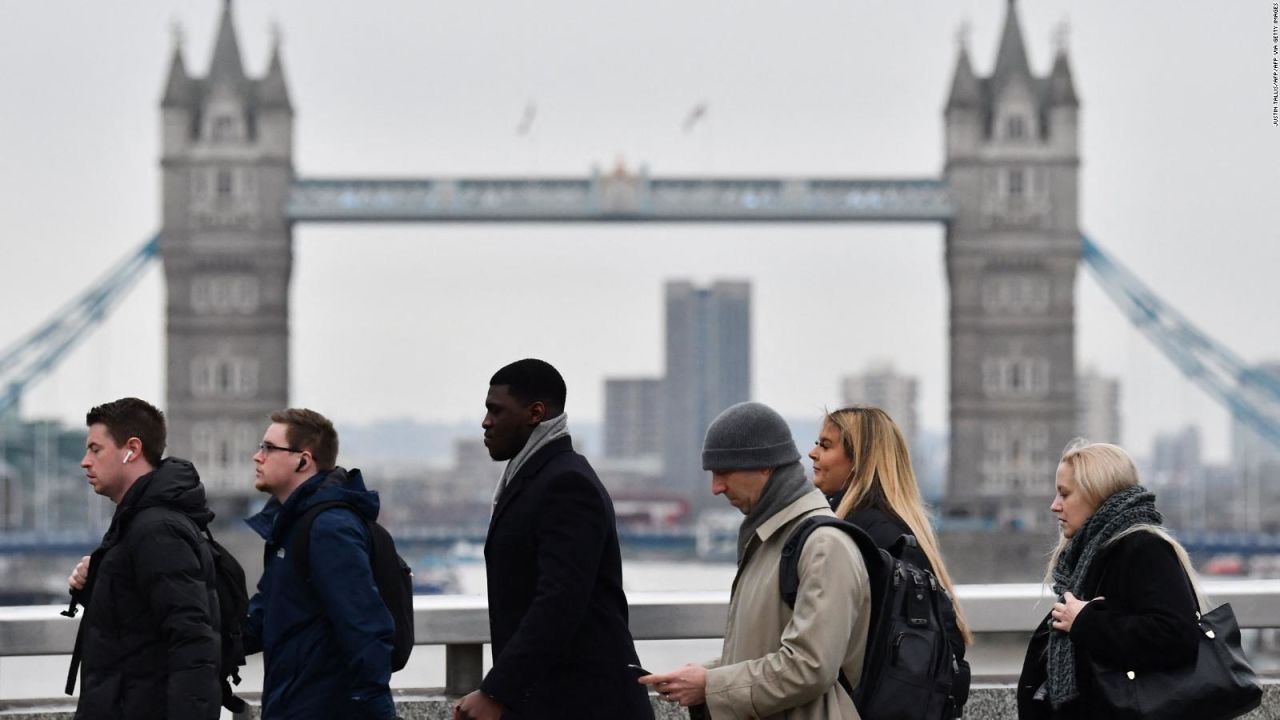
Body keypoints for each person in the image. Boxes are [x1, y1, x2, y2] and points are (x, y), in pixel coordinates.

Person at [640, 401, 870, 720]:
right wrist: (704, 674)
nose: (716, 487)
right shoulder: (771, 540)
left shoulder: (824, 545)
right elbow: (766, 653)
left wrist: (710, 685)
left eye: (724, 472)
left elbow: (810, 667)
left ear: (766, 466)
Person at [454, 358, 652, 720]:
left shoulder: (566, 484)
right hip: (556, 699)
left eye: (495, 410)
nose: (485, 422)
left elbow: (560, 602)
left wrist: (496, 690)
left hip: (585, 704)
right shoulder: (539, 476)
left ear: (536, 413)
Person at [1016, 440, 1202, 719]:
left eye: (1064, 494)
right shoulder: (1091, 551)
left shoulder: (1142, 547)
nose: (1055, 506)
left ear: (1096, 494)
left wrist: (1086, 621)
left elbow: (1177, 636)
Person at [66, 397, 222, 720]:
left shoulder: (156, 530)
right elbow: (135, 626)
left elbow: (192, 644)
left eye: (96, 450)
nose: (84, 461)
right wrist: (94, 582)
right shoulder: (137, 521)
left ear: (132, 449)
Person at [243, 408, 396, 720]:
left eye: (269, 448)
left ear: (303, 460)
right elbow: (267, 612)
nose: (257, 457)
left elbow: (363, 624)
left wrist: (378, 711)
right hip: (293, 704)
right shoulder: (292, 524)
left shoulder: (329, 527)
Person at [809, 406, 972, 645]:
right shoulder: (897, 528)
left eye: (825, 445)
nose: (813, 453)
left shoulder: (864, 534)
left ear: (859, 461)